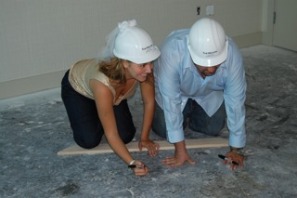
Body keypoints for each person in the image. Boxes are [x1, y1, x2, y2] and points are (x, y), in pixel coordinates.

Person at [61, 19, 161, 176]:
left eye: (150, 62)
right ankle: (96, 111)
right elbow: (111, 134)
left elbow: (149, 103)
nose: (149, 69)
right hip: (77, 88)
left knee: (126, 136)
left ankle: (102, 111)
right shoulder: (103, 84)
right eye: (142, 64)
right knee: (89, 141)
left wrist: (145, 137)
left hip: (112, 93)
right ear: (125, 63)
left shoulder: (144, 70)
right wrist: (132, 162)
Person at [152, 17, 246, 170]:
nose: (211, 70)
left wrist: (235, 149)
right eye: (205, 64)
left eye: (216, 63)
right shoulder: (171, 51)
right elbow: (171, 100)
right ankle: (186, 111)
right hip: (176, 93)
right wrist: (180, 149)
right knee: (164, 130)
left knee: (213, 128)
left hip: (207, 93)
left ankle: (192, 111)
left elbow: (236, 101)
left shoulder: (232, 54)